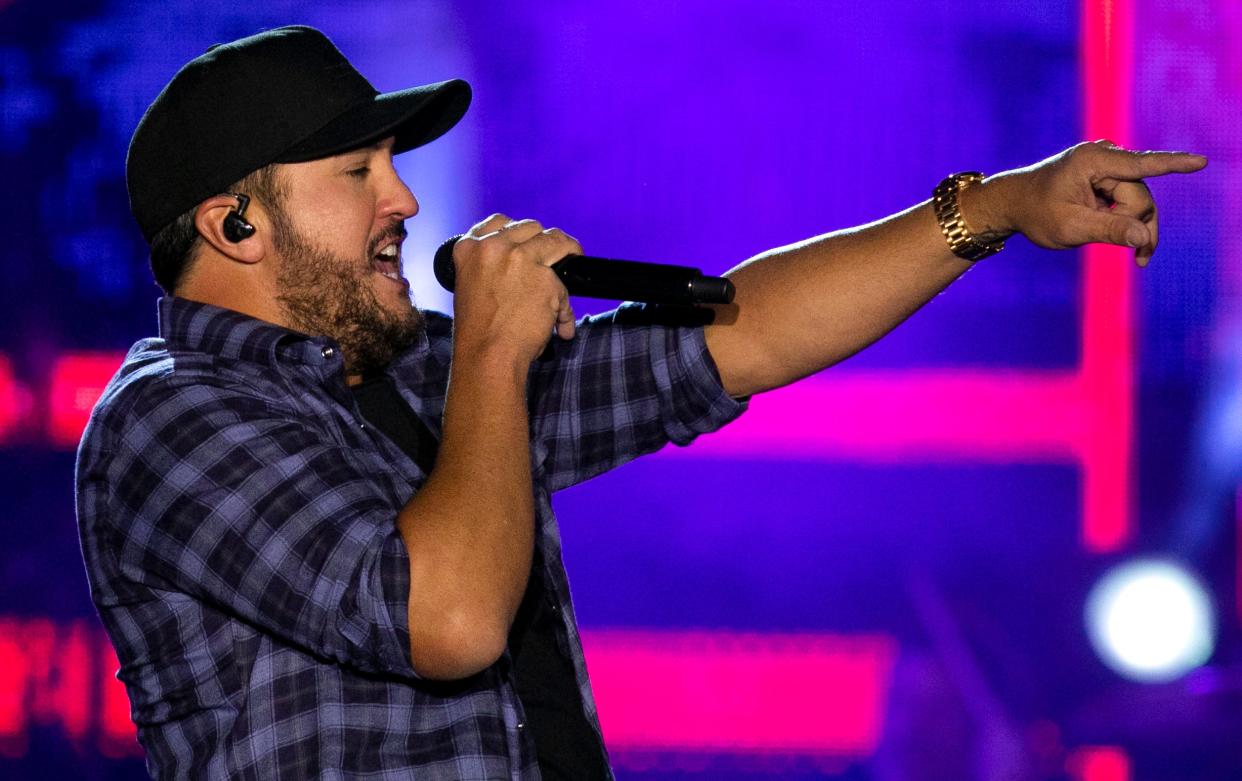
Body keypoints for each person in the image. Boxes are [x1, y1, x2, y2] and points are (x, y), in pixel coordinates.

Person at [75, 24, 1205, 781]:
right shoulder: (169, 420)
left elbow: (739, 334)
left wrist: (1000, 205)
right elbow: (449, 617)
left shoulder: (419, 373)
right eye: (358, 173)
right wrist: (495, 354)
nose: (405, 198)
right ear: (235, 225)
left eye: (392, 163)